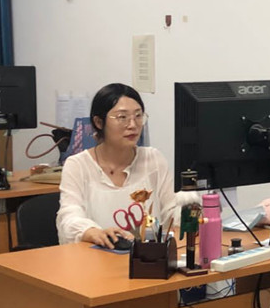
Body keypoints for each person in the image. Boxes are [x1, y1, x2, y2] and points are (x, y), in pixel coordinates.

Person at [57, 83, 197, 248]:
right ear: (99, 122)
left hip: (147, 258)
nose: (133, 125)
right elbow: (68, 217)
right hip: (98, 257)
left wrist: (192, 207)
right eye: (122, 117)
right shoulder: (78, 165)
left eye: (138, 116)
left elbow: (171, 214)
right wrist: (91, 231)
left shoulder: (153, 159)